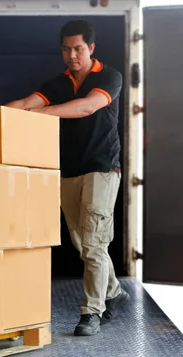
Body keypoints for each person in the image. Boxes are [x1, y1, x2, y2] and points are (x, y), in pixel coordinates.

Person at [7, 20, 129, 336]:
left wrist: (39, 115)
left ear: (91, 48)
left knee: (93, 242)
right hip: (68, 172)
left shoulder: (109, 76)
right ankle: (113, 292)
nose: (72, 55)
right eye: (66, 49)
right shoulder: (56, 84)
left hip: (101, 170)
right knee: (83, 243)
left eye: (78, 48)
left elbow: (88, 107)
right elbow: (23, 105)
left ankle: (92, 312)